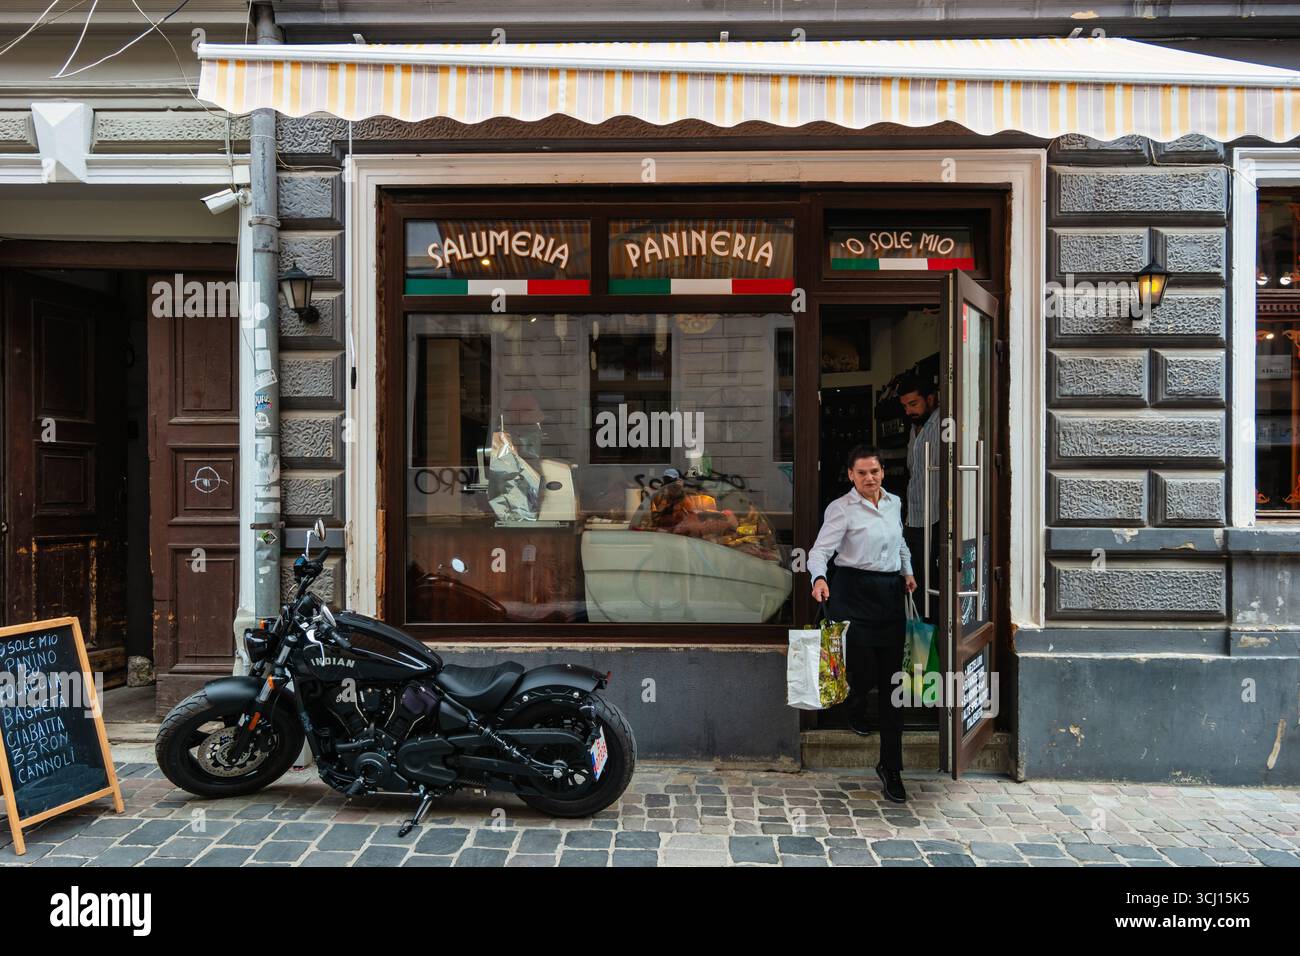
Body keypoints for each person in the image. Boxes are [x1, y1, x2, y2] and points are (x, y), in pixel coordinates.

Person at [809, 445, 915, 803]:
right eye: (862, 473)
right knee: (861, 666)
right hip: (851, 591)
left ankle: (891, 767)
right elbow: (820, 551)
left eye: (875, 471)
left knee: (892, 684)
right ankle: (855, 702)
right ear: (851, 476)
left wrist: (908, 571)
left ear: (882, 472)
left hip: (888, 595)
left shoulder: (894, 503)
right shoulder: (841, 509)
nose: (869, 478)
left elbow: (900, 541)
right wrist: (819, 579)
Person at [900, 374, 940, 622]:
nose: (909, 411)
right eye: (905, 406)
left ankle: (932, 638)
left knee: (930, 584)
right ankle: (919, 636)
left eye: (913, 404)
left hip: (934, 518)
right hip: (914, 519)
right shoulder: (917, 429)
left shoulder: (941, 426)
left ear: (930, 398)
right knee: (915, 582)